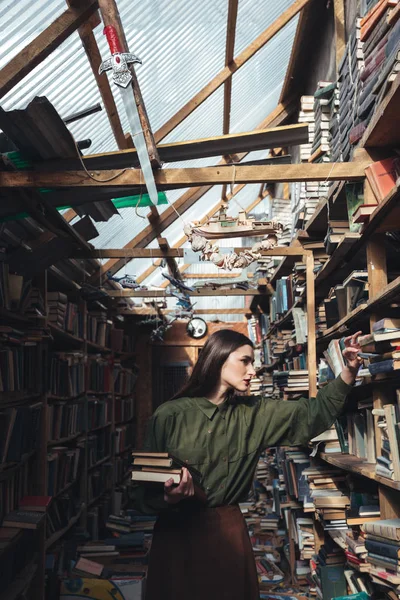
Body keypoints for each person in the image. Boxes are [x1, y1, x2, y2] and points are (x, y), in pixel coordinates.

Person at [132, 329, 362, 600]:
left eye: (252, 362)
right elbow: (139, 494)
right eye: (245, 361)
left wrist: (349, 371)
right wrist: (168, 498)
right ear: (218, 359)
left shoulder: (256, 412)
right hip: (176, 537)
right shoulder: (169, 415)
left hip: (227, 533)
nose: (252, 370)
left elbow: (312, 415)